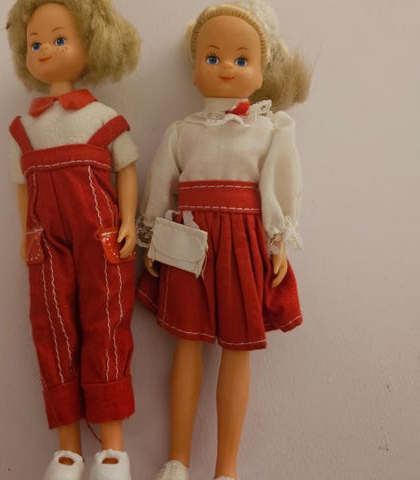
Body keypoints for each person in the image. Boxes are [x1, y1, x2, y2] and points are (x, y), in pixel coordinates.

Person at [136, 1, 311, 479]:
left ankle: (226, 468)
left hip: (242, 242)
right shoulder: (182, 131)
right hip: (187, 239)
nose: (226, 67)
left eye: (241, 58)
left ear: (262, 69)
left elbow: (279, 184)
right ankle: (177, 459)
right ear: (194, 67)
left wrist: (278, 238)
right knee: (186, 346)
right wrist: (152, 234)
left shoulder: (270, 128)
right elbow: (161, 184)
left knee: (237, 348)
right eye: (211, 57)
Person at [6, 1, 140, 479]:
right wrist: (26, 233)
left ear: (94, 45)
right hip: (46, 243)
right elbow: (22, 186)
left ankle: (112, 448)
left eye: (59, 39)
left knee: (107, 324)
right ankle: (68, 449)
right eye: (35, 43)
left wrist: (129, 221)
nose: (44, 50)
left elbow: (127, 169)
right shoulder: (25, 129)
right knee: (51, 328)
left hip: (102, 236)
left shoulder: (103, 119)